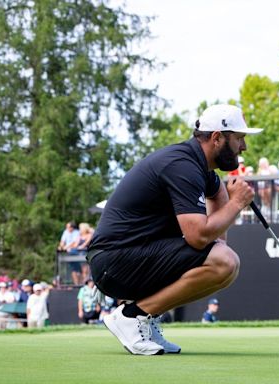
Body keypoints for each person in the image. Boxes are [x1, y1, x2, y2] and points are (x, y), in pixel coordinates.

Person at [87, 104, 261, 355]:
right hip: (114, 262)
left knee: (225, 264)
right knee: (224, 262)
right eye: (239, 139)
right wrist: (237, 204)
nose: (243, 147)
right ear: (217, 138)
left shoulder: (198, 165)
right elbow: (198, 236)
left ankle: (144, 317)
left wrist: (219, 240)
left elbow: (218, 195)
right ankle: (132, 317)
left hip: (131, 256)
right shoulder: (183, 165)